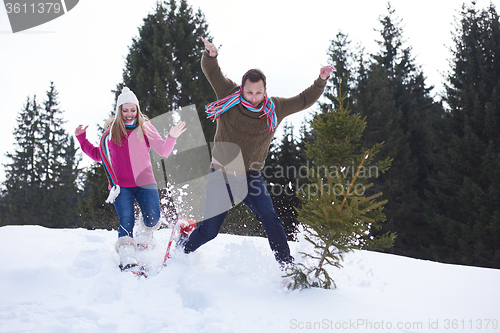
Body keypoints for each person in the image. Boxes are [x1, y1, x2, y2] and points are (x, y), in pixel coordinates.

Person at [181, 37, 334, 267]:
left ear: (265, 90)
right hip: (221, 174)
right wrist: (211, 56)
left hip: (250, 177)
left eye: (258, 93)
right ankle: (182, 249)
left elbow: (303, 100)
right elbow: (212, 72)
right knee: (210, 232)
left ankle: (287, 266)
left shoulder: (276, 108)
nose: (253, 98)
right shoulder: (228, 94)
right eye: (249, 92)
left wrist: (321, 80)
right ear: (242, 88)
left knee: (270, 218)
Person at [75, 87, 186, 271]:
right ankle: (127, 255)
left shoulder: (145, 128)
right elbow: (97, 154)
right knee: (126, 219)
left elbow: (163, 150)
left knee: (153, 217)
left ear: (137, 109)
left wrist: (171, 137)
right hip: (120, 186)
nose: (129, 114)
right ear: (119, 111)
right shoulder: (110, 134)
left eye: (132, 110)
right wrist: (81, 138)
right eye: (125, 110)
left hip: (145, 182)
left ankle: (144, 233)